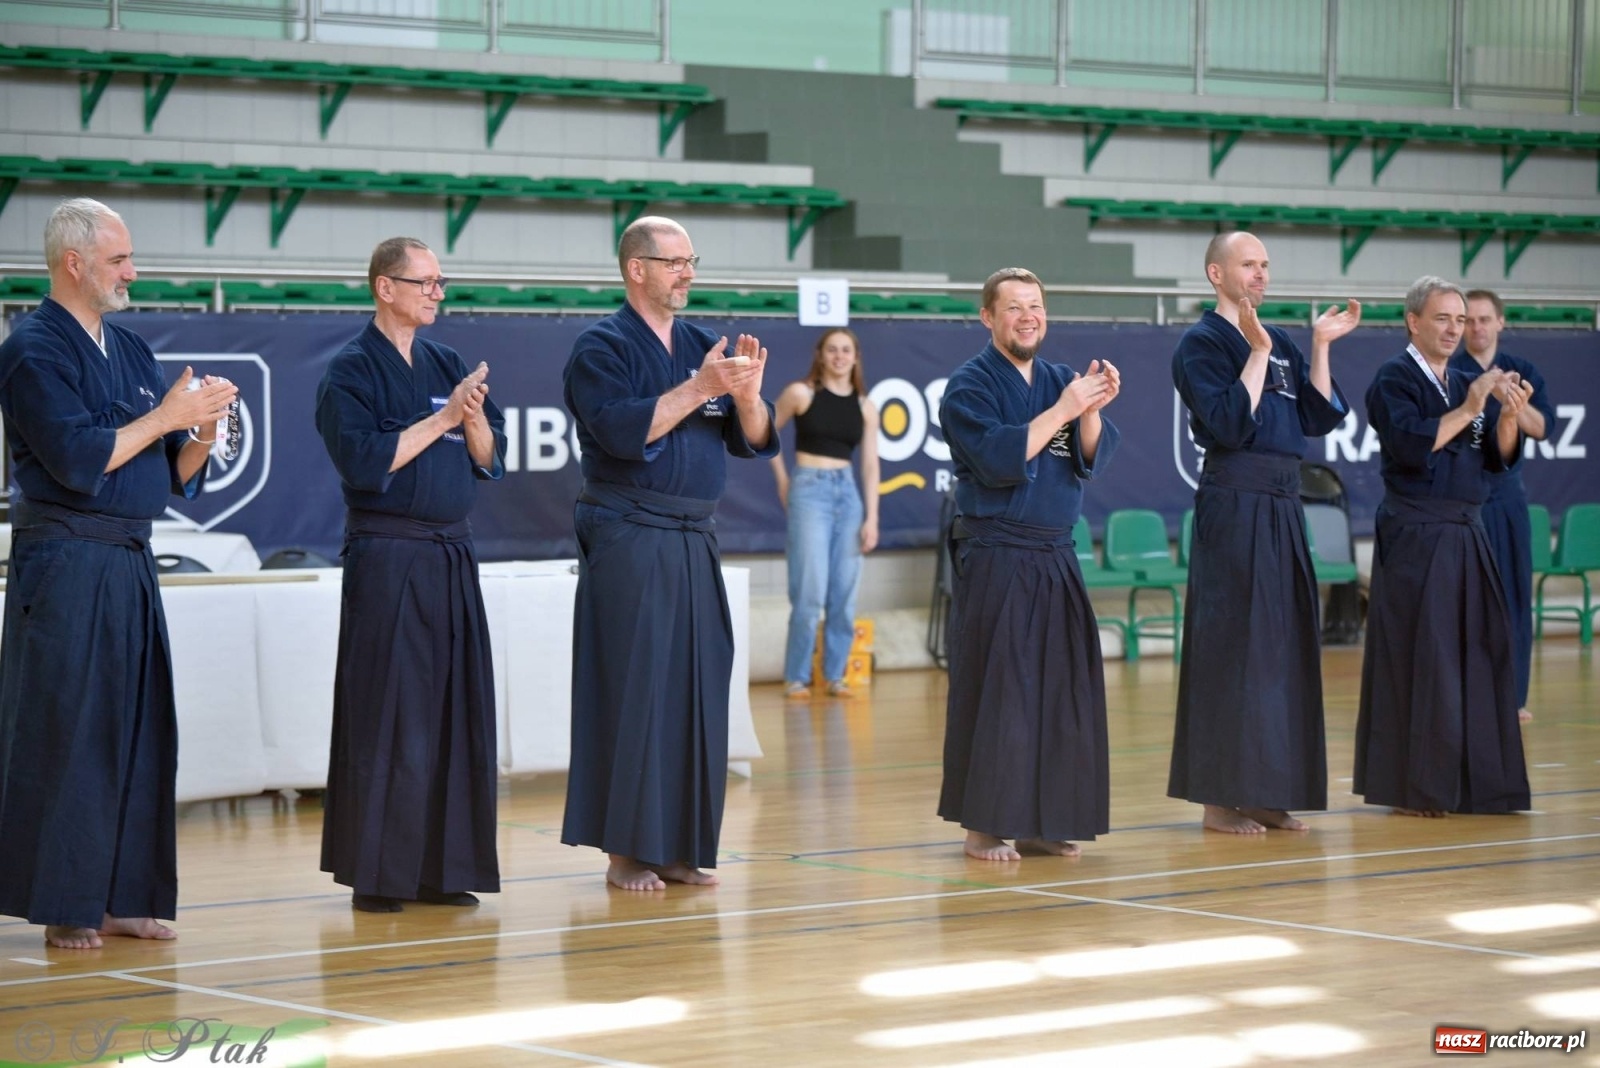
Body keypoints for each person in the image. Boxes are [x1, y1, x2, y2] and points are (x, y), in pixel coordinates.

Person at [0, 198, 237, 949]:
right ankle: (68, 901)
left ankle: (124, 894)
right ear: (74, 264)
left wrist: (199, 430)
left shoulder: (131, 349)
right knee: (70, 729)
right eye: (118, 260)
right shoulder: (32, 350)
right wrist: (168, 418)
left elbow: (169, 474)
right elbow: (78, 459)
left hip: (131, 556)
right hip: (65, 558)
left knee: (138, 729)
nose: (132, 272)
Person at [561, 216, 776, 891]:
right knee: (634, 689)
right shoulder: (600, 349)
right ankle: (626, 851)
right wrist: (702, 388)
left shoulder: (700, 345)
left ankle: (679, 844)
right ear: (637, 268)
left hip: (693, 535)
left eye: (692, 261)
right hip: (629, 529)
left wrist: (747, 396)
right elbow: (626, 432)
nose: (688, 273)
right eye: (675, 261)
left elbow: (756, 438)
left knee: (697, 689)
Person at [315, 237, 506, 913]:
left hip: (451, 554)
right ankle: (378, 874)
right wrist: (445, 416)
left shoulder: (448, 362)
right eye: (424, 281)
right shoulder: (350, 373)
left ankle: (440, 868)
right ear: (384, 287)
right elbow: (366, 463)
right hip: (388, 557)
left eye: (441, 281)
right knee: (389, 716)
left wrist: (473, 421)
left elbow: (489, 458)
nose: (437, 292)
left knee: (454, 716)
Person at [1166, 231, 1361, 835]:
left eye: (1266, 265)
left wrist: (1320, 346)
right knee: (1230, 647)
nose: (1261, 275)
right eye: (1248, 264)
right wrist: (1254, 353)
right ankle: (1220, 800)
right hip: (1235, 499)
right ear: (1215, 275)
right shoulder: (1201, 344)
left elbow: (1317, 415)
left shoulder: (1275, 342)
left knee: (1281, 648)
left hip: (1282, 503)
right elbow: (1227, 421)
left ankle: (1268, 790)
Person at [937, 267, 1121, 861]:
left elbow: (1089, 456)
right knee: (1001, 693)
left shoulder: (1060, 379)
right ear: (988, 317)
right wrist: (1067, 405)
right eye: (1013, 307)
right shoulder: (969, 387)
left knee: (1061, 692)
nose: (1027, 316)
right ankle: (984, 826)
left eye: (1035, 306)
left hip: (1056, 552)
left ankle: (1045, 818)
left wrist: (1090, 408)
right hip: (999, 553)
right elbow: (998, 457)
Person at [1354, 276, 1532, 818]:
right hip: (1417, 533)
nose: (1456, 329)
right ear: (1414, 321)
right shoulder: (1394, 379)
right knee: (1422, 659)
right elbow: (1413, 445)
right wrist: (1476, 401)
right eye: (1444, 318)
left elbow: (1494, 460)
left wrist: (1505, 417)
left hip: (1467, 530)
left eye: (1461, 320)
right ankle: (1416, 786)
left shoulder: (1461, 382)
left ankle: (1475, 784)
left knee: (1479, 656)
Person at [1451, 289, 1554, 724]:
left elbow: (1543, 428)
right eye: (1468, 320)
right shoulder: (1451, 371)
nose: (1476, 327)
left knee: (1513, 599)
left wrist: (1512, 403)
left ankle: (1513, 697)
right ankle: (1463, 695)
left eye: (1483, 319)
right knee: (1461, 602)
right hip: (1459, 499)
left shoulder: (1523, 371)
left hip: (1506, 498)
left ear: (1500, 323)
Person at [769, 328, 881, 699]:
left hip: (848, 495)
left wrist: (872, 517)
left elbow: (869, 465)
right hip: (809, 490)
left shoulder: (866, 406)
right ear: (820, 355)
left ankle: (835, 674)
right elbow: (763, 431)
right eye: (832, 350)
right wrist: (784, 480)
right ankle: (796, 676)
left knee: (844, 591)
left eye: (846, 350)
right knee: (810, 590)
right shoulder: (801, 393)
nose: (839, 356)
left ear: (856, 357)